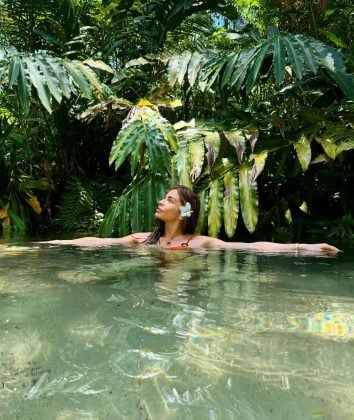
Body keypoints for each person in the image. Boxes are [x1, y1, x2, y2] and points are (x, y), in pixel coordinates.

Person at [43, 185, 340, 253]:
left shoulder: (200, 242)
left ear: (184, 211)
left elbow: (252, 247)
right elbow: (98, 241)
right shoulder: (143, 239)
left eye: (170, 200)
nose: (161, 201)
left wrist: (305, 247)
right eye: (164, 197)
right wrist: (54, 242)